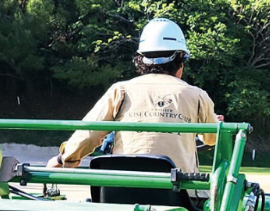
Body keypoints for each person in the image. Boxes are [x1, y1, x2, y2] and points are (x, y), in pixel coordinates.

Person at [48, 18, 222, 174]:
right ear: (181, 60)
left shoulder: (120, 91)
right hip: (179, 197)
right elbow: (212, 138)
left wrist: (63, 159)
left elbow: (88, 134)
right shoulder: (197, 96)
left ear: (141, 60)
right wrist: (216, 122)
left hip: (122, 191)